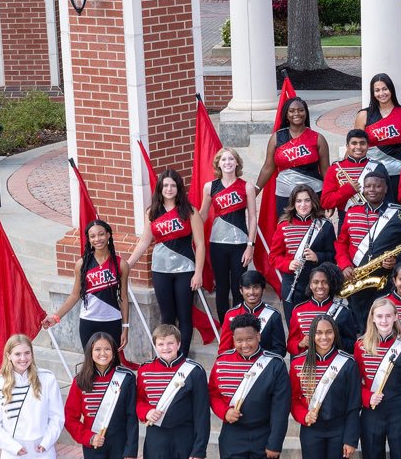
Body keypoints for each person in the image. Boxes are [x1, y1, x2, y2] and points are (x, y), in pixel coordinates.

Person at [129, 169, 206, 357]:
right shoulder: (152, 212)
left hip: (185, 269)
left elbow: (201, 243)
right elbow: (145, 241)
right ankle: (167, 356)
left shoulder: (189, 211)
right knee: (167, 317)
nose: (169, 189)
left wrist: (198, 272)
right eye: (165, 185)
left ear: (178, 188)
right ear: (160, 189)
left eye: (173, 185)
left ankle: (183, 357)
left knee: (184, 316)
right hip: (160, 270)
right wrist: (127, 265)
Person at [210, 314, 291, 459]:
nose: (245, 344)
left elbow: (280, 408)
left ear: (259, 337)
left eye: (249, 339)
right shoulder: (222, 362)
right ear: (233, 339)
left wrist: (275, 442)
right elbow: (213, 393)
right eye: (239, 340)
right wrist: (224, 412)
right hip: (232, 435)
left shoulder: (275, 364)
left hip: (263, 435)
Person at [352, 298, 401, 459]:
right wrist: (367, 397)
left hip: (399, 413)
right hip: (371, 413)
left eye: (388, 316)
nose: (384, 320)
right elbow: (354, 384)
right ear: (372, 318)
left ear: (396, 317)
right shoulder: (360, 346)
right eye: (379, 316)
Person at [335, 170, 401, 315]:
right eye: (368, 186)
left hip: (386, 280)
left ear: (385, 189)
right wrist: (344, 265)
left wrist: (397, 260)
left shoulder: (399, 214)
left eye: (377, 186)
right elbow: (341, 244)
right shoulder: (352, 212)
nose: (372, 190)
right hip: (355, 279)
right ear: (363, 189)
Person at [135, 324, 210, 459]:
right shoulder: (144, 370)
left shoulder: (194, 370)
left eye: (170, 343)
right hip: (156, 438)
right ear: (155, 345)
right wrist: (146, 411)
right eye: (160, 344)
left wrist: (200, 448)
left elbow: (202, 413)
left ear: (179, 344)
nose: (165, 348)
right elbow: (138, 400)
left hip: (185, 437)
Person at [290, 315, 361, 459]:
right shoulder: (297, 363)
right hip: (311, 430)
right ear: (311, 335)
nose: (324, 337)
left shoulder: (347, 363)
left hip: (339, 430)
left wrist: (350, 439)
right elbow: (293, 399)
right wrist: (304, 415)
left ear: (335, 334)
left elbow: (353, 405)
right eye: (319, 333)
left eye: (329, 332)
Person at [0, 334, 64, 459]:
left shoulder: (47, 379)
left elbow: (57, 417)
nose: (23, 358)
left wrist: (46, 442)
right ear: (8, 355)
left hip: (42, 453)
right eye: (17, 354)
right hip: (13, 456)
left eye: (27, 353)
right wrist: (13, 447)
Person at [44, 220, 131, 350]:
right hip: (88, 321)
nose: (97, 239)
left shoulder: (121, 264)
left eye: (101, 234)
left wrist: (125, 327)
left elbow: (123, 297)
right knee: (90, 363)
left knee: (111, 361)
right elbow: (74, 295)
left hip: (112, 320)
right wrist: (56, 317)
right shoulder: (82, 264)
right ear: (89, 240)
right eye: (93, 236)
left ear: (108, 235)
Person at [65, 332, 138, 459]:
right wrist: (89, 437)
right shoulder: (80, 381)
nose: (102, 353)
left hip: (120, 444)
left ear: (114, 351)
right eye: (97, 349)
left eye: (107, 349)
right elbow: (69, 418)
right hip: (93, 443)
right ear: (90, 352)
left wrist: (131, 448)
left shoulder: (127, 378)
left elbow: (132, 416)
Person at [202, 148, 257, 318]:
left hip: (240, 243)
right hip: (217, 243)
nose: (227, 163)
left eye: (231, 159)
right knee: (222, 287)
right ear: (218, 163)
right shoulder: (210, 186)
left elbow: (253, 218)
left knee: (239, 286)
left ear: (237, 163)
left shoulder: (247, 186)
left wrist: (250, 246)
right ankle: (224, 324)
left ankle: (239, 322)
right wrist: (190, 233)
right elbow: (203, 214)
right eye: (224, 160)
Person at [256, 96, 330, 214]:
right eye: (292, 111)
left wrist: (329, 197)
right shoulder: (276, 138)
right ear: (286, 114)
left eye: (301, 110)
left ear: (306, 113)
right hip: (284, 195)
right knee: (287, 229)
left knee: (313, 229)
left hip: (313, 194)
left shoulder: (318, 138)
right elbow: (268, 167)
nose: (297, 113)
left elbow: (326, 170)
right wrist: (255, 191)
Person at [270, 184, 337, 309]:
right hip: (292, 284)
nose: (303, 205)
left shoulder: (325, 225)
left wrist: (318, 257)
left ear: (313, 202)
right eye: (299, 201)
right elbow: (273, 257)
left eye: (307, 200)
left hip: (319, 284)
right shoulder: (283, 226)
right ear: (293, 203)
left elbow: (334, 256)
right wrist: (287, 264)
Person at [355, 73, 401, 188]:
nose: (381, 93)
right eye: (377, 90)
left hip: (397, 172)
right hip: (371, 173)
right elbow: (355, 146)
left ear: (391, 89)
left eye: (385, 89)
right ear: (373, 93)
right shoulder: (363, 115)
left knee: (395, 205)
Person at [217, 270, 287, 357]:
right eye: (247, 288)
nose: (251, 292)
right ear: (241, 290)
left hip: (264, 367)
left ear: (263, 290)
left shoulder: (273, 315)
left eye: (256, 287)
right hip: (238, 366)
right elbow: (224, 350)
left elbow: (280, 350)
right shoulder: (231, 315)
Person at [322, 129, 388, 215]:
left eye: (362, 143)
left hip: (376, 218)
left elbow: (388, 198)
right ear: (347, 146)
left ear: (368, 146)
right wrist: (348, 190)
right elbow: (325, 202)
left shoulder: (379, 168)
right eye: (354, 143)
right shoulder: (334, 169)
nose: (358, 147)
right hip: (346, 219)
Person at [288, 263, 342, 357]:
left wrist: (332, 340)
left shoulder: (342, 311)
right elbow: (290, 345)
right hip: (306, 363)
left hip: (332, 363)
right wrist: (301, 343)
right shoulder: (298, 310)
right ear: (310, 285)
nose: (320, 286)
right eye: (316, 282)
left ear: (330, 284)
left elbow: (351, 344)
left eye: (325, 282)